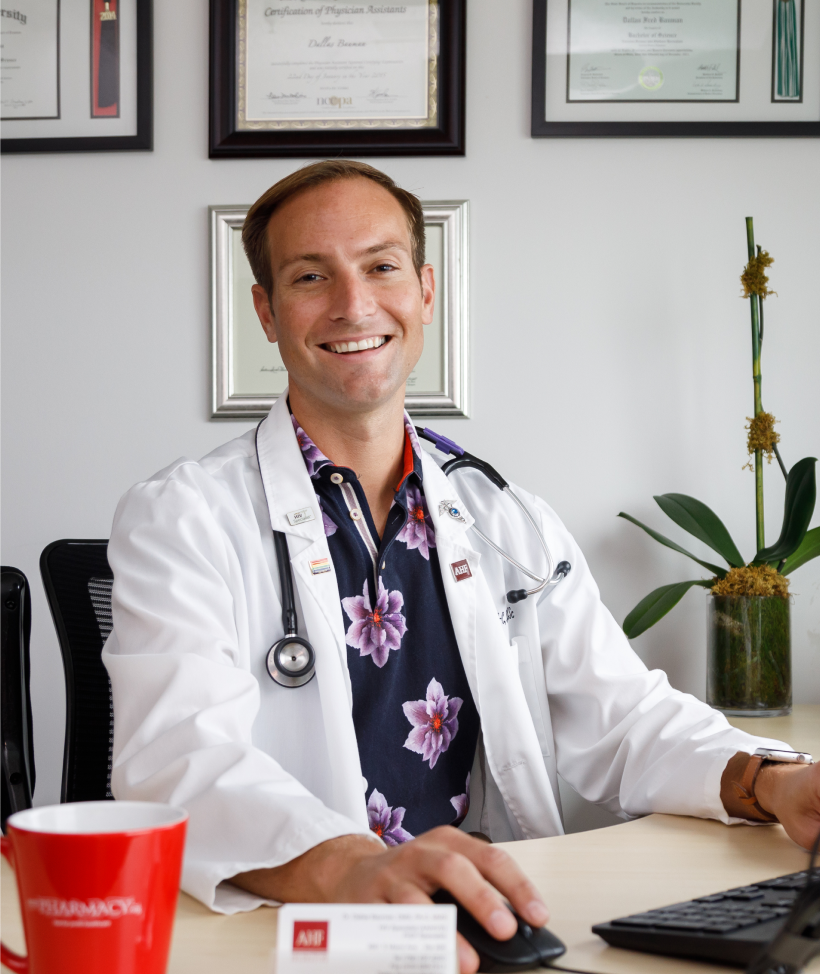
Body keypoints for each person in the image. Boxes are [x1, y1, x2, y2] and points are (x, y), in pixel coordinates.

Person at [102, 160, 820, 974]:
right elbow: (175, 759)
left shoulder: (506, 518)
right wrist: (350, 863)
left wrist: (773, 782)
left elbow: (623, 718)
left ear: (425, 289)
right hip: (291, 930)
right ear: (266, 312)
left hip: (490, 920)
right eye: (311, 276)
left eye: (380, 266)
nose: (353, 303)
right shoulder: (183, 516)